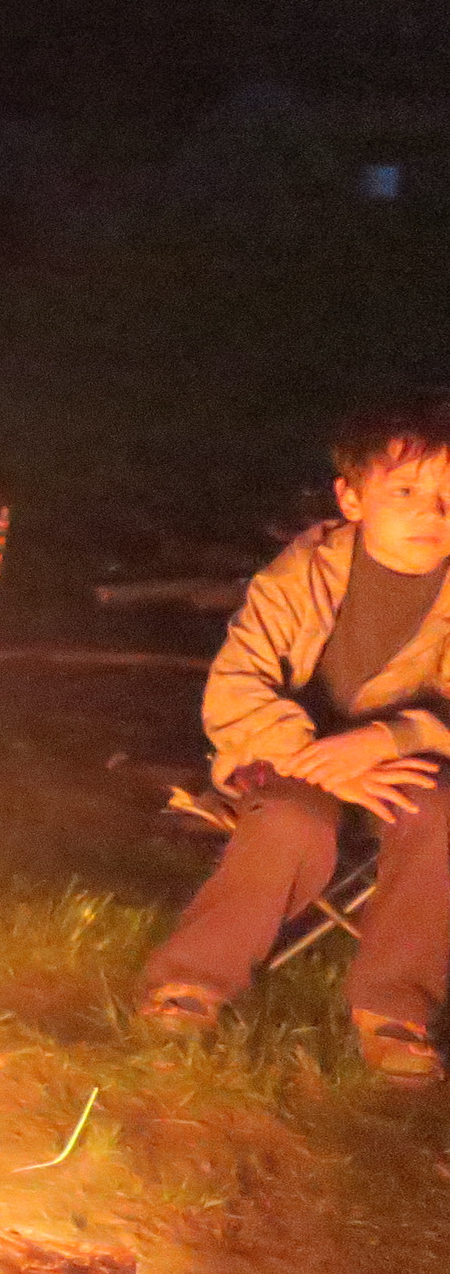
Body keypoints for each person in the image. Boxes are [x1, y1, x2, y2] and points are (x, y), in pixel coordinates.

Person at [139, 393, 450, 1085]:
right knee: (291, 820)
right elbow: (235, 688)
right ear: (352, 497)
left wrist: (392, 737)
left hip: (405, 766)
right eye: (405, 492)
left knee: (439, 816)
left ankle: (396, 1008)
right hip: (282, 760)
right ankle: (193, 981)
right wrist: (322, 763)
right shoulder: (302, 573)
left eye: (448, 497)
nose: (432, 514)